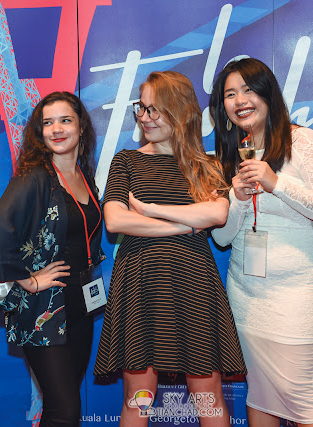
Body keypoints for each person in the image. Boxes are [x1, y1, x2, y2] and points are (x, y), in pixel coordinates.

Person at [94, 71, 246, 427]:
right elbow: (116, 220)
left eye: (154, 110)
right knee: (138, 400)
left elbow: (217, 212)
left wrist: (150, 210)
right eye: (141, 109)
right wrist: (183, 225)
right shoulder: (126, 161)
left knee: (208, 397)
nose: (145, 118)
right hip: (140, 285)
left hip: (193, 285)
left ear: (180, 113)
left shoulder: (204, 164)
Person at [209, 58, 313, 427]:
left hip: (294, 297)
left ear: (268, 93)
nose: (240, 99)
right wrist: (237, 198)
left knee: (301, 400)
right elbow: (221, 237)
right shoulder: (230, 153)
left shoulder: (302, 142)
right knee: (260, 395)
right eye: (230, 93)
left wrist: (277, 183)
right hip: (244, 296)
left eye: (249, 89)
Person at [0, 91, 104, 427]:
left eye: (65, 120)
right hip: (42, 311)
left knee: (62, 406)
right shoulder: (35, 176)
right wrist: (29, 280)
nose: (56, 129)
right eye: (48, 122)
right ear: (39, 131)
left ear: (81, 128)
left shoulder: (83, 176)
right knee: (65, 412)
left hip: (79, 306)